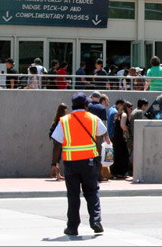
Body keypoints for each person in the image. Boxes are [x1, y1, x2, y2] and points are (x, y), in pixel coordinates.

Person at [50, 92, 107, 236]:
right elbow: (103, 131)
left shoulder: (64, 120)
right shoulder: (93, 118)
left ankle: (72, 227)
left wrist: (54, 163)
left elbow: (57, 143)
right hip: (89, 162)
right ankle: (95, 221)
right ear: (86, 105)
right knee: (92, 192)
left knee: (73, 195)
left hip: (71, 163)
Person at [111, 101, 133, 179]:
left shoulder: (119, 114)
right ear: (127, 107)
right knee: (124, 155)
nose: (131, 110)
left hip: (116, 137)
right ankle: (121, 173)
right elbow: (123, 126)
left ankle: (116, 172)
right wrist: (129, 130)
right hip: (121, 138)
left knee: (117, 155)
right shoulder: (124, 114)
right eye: (130, 108)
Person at [49, 103, 68, 180]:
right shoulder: (62, 119)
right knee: (58, 157)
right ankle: (56, 173)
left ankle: (57, 173)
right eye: (66, 109)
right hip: (59, 140)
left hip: (56, 139)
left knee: (58, 157)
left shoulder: (57, 119)